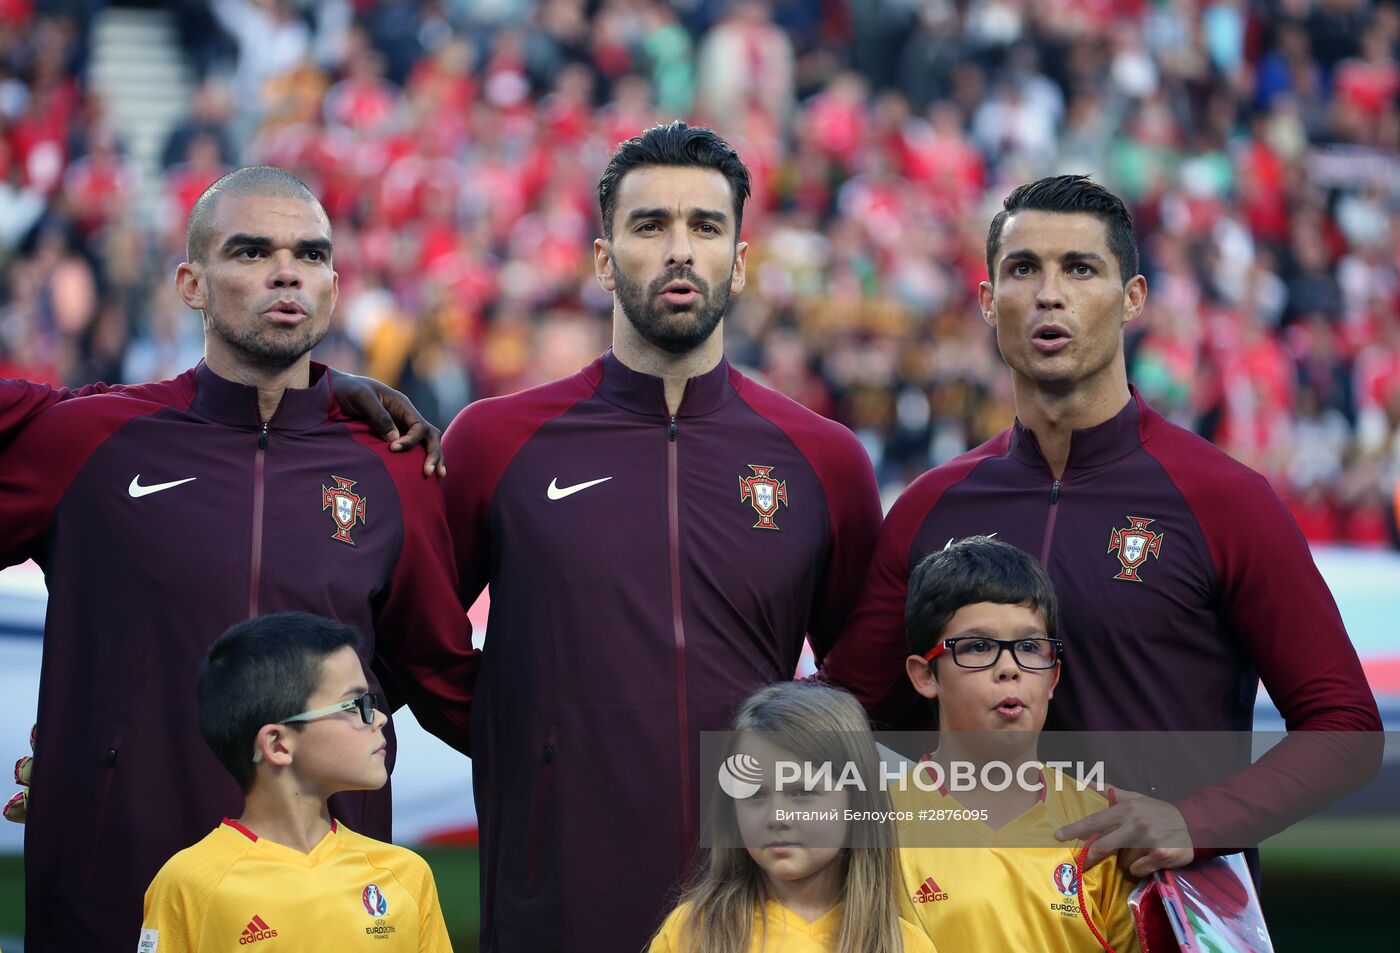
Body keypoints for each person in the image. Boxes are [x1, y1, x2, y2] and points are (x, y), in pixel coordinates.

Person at [819, 174, 1382, 874]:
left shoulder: (1226, 500)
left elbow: (1346, 727)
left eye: (1080, 269)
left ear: (1133, 299)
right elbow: (846, 715)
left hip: (1160, 920)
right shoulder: (934, 506)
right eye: (1023, 269)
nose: (1049, 293)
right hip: (975, 922)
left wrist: (1194, 820)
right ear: (990, 303)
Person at [0, 166, 477, 953]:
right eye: (251, 251)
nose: (286, 269)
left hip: (329, 915)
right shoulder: (88, 441)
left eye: (310, 254)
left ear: (331, 284)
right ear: (191, 283)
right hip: (113, 894)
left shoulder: (393, 467)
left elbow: (450, 684)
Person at [441, 122, 882, 952]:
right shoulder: (494, 443)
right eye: (650, 226)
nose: (680, 249)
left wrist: (786, 771)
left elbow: (865, 673)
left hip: (762, 910)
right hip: (560, 895)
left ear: (740, 262)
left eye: (705, 227)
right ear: (605, 261)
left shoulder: (825, 459)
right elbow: (414, 634)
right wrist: (532, 740)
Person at [140, 612, 452, 952]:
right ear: (277, 744)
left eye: (372, 702)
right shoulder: (189, 884)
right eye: (355, 705)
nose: (378, 718)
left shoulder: (404, 874)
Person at [892, 535, 1140, 952]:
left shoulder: (1102, 827)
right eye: (977, 647)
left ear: (1052, 678)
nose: (1009, 668)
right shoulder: (876, 823)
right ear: (925, 676)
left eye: (1028, 647)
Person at [648, 682, 935, 953]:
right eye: (755, 795)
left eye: (802, 792)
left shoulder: (904, 944)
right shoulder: (692, 933)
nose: (777, 817)